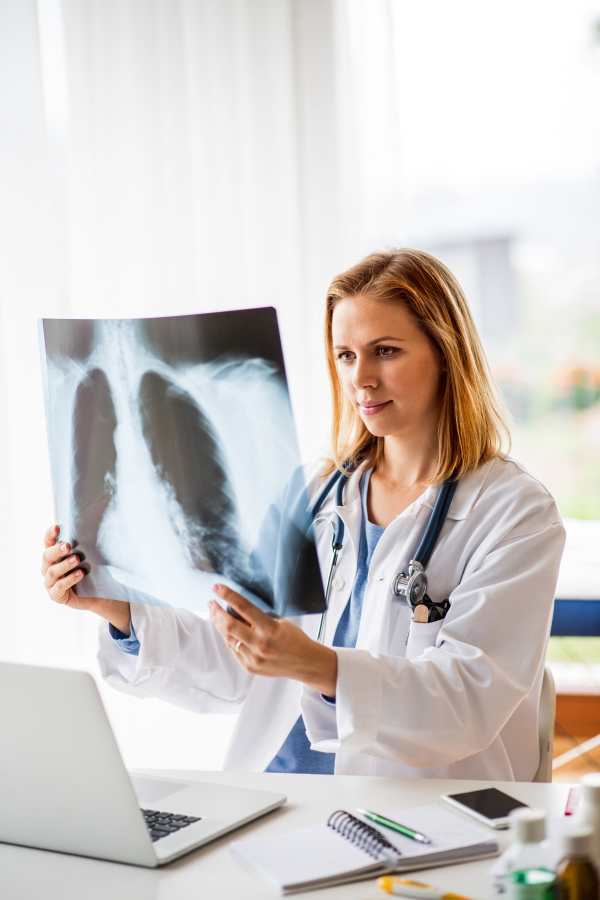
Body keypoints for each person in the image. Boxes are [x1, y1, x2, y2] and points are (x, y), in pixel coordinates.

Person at [41, 248, 565, 781]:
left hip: (420, 814)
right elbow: (236, 663)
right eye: (345, 355)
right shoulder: (317, 494)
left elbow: (465, 704)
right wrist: (120, 610)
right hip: (281, 795)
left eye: (385, 351)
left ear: (446, 353)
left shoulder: (514, 513)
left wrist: (312, 663)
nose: (361, 378)